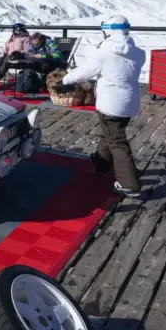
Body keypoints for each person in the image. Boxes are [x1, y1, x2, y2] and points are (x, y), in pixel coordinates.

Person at [55, 15, 146, 199]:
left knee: (117, 141)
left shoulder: (105, 52)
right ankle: (101, 162)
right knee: (112, 133)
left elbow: (85, 71)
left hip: (111, 103)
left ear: (108, 30)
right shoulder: (138, 53)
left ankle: (130, 184)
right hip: (129, 102)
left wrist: (64, 81)